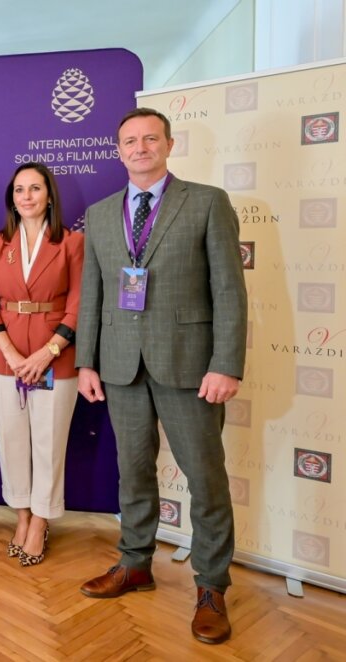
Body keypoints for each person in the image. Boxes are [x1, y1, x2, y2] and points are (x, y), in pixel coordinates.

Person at [75, 108, 246, 645]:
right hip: (121, 365)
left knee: (205, 478)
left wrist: (225, 363)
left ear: (169, 144)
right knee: (133, 472)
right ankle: (135, 563)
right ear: (118, 149)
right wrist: (86, 361)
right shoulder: (101, 214)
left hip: (190, 365)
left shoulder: (207, 202)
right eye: (130, 140)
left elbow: (228, 291)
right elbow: (94, 295)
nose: (140, 147)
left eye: (151, 138)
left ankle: (212, 586)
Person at [0, 162, 84, 567]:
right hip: (5, 361)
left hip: (56, 359)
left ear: (49, 195)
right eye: (19, 190)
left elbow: (79, 305)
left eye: (35, 188)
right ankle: (20, 515)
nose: (26, 196)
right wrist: (13, 355)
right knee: (12, 441)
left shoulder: (72, 243)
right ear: (12, 199)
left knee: (48, 443)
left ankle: (41, 520)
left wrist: (46, 354)